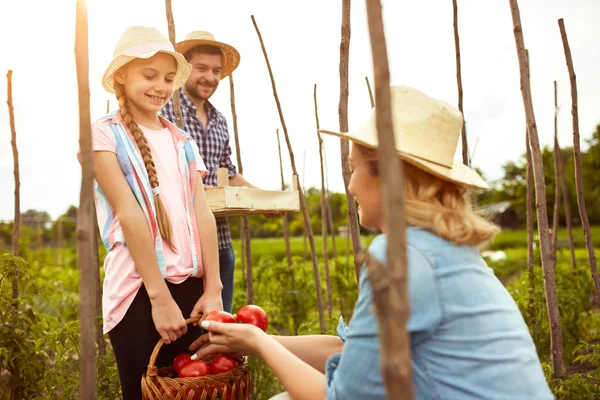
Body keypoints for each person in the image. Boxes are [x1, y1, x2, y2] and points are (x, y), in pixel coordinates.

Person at [188, 86, 555, 399]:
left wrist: (260, 343)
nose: (349, 186)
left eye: (353, 168)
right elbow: (344, 350)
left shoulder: (400, 256)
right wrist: (247, 338)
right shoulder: (443, 249)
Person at [88, 26, 223, 399]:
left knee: (195, 389)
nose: (160, 87)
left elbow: (203, 215)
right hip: (139, 290)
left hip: (192, 288)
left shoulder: (182, 142)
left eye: (167, 79)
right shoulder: (103, 135)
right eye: (149, 76)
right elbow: (130, 215)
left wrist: (213, 287)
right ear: (121, 75)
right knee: (144, 390)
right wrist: (159, 298)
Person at [161, 30, 266, 314]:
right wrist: (193, 188)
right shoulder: (165, 112)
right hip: (180, 247)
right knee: (184, 335)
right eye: (201, 68)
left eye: (216, 71)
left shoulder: (219, 120)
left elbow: (228, 174)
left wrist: (265, 199)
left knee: (218, 330)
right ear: (184, 69)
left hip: (219, 244)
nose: (209, 77)